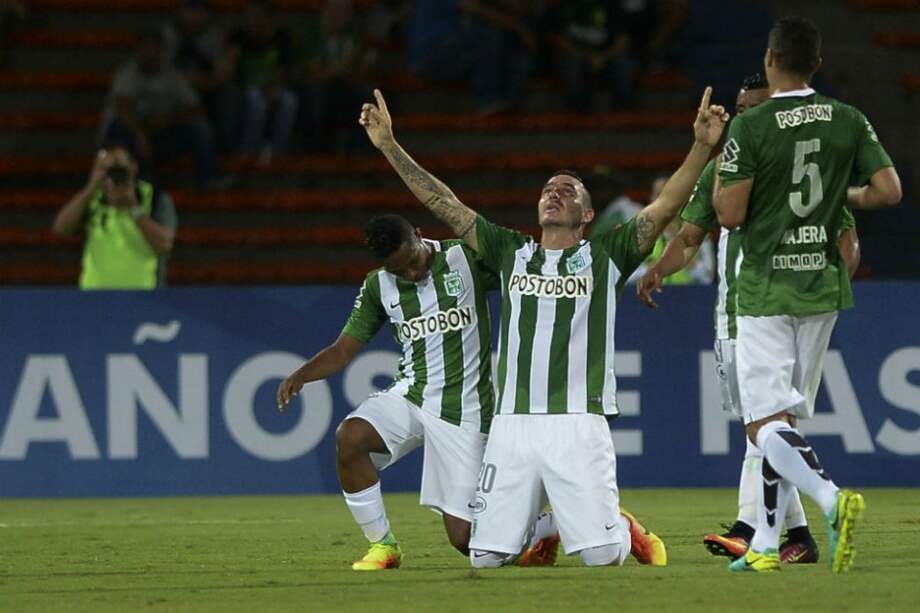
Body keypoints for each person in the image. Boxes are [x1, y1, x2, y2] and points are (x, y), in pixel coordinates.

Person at [359, 87, 730, 567]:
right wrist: (390, 147)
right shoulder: (510, 251)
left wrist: (701, 146)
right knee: (483, 556)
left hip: (579, 420)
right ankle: (552, 526)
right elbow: (443, 202)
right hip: (512, 424)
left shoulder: (607, 255)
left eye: (568, 191)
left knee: (601, 555)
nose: (554, 194)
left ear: (588, 214)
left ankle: (619, 528)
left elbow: (663, 209)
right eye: (548, 189)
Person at [637, 72, 861, 565]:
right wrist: (659, 269)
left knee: (768, 422)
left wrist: (814, 297)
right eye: (741, 111)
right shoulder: (723, 170)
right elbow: (689, 237)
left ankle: (753, 527)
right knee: (763, 425)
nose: (746, 119)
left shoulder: (802, 170)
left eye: (755, 109)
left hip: (778, 314)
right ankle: (795, 535)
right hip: (733, 317)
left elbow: (848, 247)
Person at [712, 16, 901, 573]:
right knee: (784, 422)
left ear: (770, 59)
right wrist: (843, 194)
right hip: (822, 287)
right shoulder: (848, 118)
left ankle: (830, 498)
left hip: (767, 288)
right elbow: (888, 191)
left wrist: (724, 164)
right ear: (816, 63)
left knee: (763, 423)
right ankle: (767, 545)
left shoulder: (752, 125)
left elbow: (730, 214)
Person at [276, 214, 557, 571]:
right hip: (411, 396)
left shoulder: (465, 257)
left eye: (412, 261)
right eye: (398, 270)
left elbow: (524, 272)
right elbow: (343, 349)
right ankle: (383, 545)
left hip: (465, 410)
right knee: (350, 437)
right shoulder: (378, 286)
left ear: (420, 235)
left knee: (467, 541)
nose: (410, 274)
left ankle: (552, 524)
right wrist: (302, 375)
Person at [101, 31, 224, 190]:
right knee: (118, 132)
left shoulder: (173, 75)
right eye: (145, 49)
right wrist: (140, 134)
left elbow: (196, 108)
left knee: (201, 129)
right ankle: (135, 186)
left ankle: (207, 180)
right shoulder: (127, 74)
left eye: (153, 49)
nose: (149, 54)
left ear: (162, 52)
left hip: (161, 135)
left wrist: (169, 119)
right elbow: (123, 107)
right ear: (137, 51)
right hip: (132, 136)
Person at [51, 145, 177, 289]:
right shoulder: (92, 198)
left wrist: (133, 207)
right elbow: (60, 229)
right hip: (94, 294)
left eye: (119, 169)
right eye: (106, 170)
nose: (114, 176)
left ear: (133, 167)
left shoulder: (154, 198)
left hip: (143, 294)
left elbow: (164, 244)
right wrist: (91, 187)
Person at [225, 0, 298, 161]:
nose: (252, 21)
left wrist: (274, 88)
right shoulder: (239, 38)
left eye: (257, 16)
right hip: (245, 90)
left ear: (268, 17)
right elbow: (228, 73)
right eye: (249, 17)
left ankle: (279, 156)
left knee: (289, 101)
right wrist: (232, 57)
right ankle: (248, 154)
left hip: (274, 87)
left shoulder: (282, 38)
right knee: (257, 102)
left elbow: (284, 71)